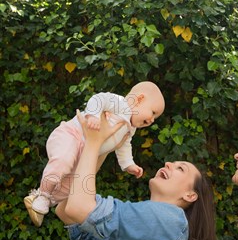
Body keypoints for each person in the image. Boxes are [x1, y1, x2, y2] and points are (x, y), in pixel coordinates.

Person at [55, 111, 220, 240]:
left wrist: (93, 143)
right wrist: (107, 145)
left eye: (180, 168)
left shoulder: (172, 219)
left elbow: (80, 207)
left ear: (190, 195)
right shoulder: (136, 222)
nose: (168, 163)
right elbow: (66, 207)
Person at [24, 81, 165, 227]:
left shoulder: (131, 128)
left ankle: (42, 201)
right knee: (63, 162)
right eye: (153, 112)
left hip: (84, 152)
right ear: (140, 99)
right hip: (71, 136)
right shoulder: (120, 103)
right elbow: (98, 99)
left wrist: (128, 164)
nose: (152, 120)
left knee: (71, 185)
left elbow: (124, 146)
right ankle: (43, 193)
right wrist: (93, 116)